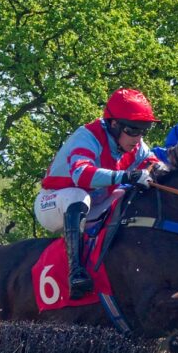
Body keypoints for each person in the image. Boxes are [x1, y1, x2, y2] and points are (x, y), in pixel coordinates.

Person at [35, 88, 162, 299]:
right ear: (114, 124)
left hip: (95, 204)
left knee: (130, 195)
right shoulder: (87, 137)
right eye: (132, 130)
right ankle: (75, 272)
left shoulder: (136, 145)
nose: (138, 138)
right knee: (78, 195)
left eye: (143, 130)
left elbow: (156, 167)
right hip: (53, 204)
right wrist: (127, 176)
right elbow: (82, 175)